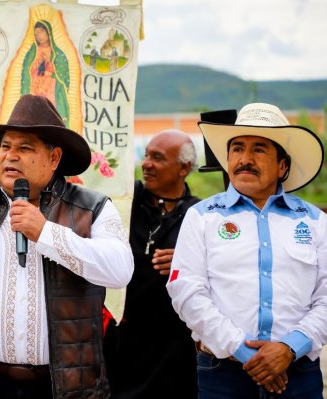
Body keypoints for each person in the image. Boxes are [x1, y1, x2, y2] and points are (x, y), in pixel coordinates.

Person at [0, 94, 134, 399]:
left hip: (68, 386)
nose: (10, 156)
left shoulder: (93, 208)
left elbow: (119, 271)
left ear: (54, 158)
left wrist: (46, 233)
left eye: (25, 148)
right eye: (5, 146)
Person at [166, 103, 327, 398]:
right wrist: (245, 353)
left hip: (298, 373)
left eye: (259, 149)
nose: (245, 159)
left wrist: (290, 347)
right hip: (223, 374)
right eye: (237, 149)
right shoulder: (203, 216)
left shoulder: (315, 221)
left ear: (282, 166)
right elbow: (186, 291)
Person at [106, 130, 199, 398]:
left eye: (157, 158)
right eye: (146, 155)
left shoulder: (200, 215)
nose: (146, 164)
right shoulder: (124, 203)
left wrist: (188, 263)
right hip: (122, 342)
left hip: (175, 349)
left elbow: (221, 271)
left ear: (184, 168)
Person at [21, 21, 71, 126]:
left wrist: (51, 72)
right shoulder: (31, 53)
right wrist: (35, 66)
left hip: (51, 91)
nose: (39, 36)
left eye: (41, 32)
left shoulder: (58, 54)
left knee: (49, 117)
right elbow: (26, 72)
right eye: (36, 34)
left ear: (49, 33)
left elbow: (63, 77)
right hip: (35, 89)